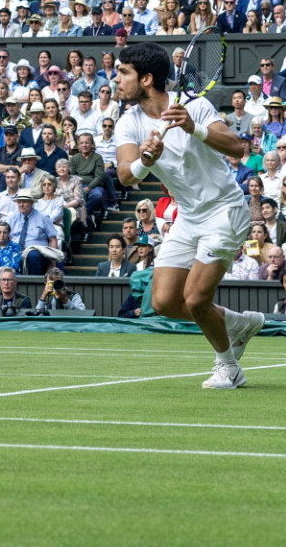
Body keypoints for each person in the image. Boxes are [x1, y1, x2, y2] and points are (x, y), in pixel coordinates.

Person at [111, 42, 265, 389]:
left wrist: (193, 126)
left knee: (196, 299)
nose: (116, 79)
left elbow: (238, 146)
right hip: (188, 217)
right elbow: (125, 175)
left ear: (147, 78)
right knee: (164, 301)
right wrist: (146, 159)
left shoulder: (195, 105)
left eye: (124, 73)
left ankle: (229, 367)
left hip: (225, 211)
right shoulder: (128, 123)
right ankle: (238, 323)